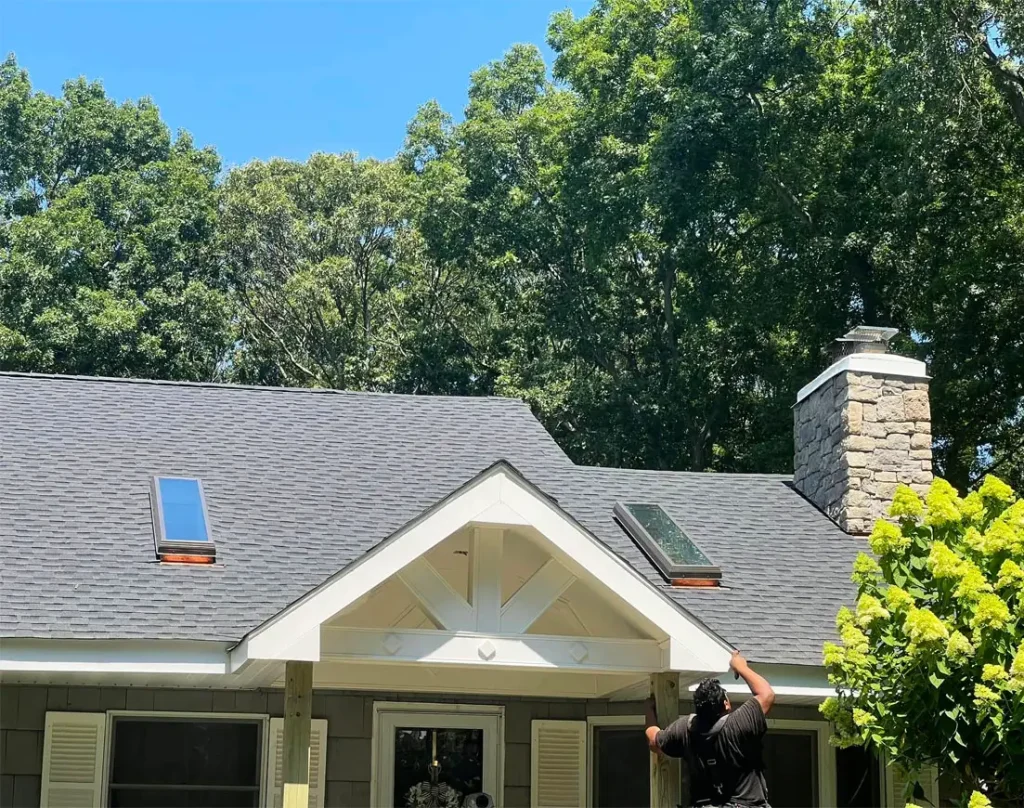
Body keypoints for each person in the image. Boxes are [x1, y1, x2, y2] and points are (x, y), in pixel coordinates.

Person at [645, 650, 776, 807]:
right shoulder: (740, 724)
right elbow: (766, 694)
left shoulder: (685, 728)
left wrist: (649, 711)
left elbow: (654, 740)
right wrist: (740, 666)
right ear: (726, 704)